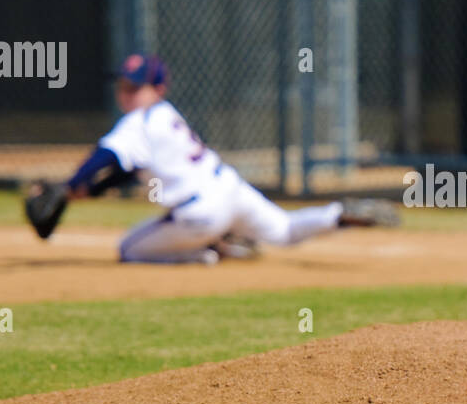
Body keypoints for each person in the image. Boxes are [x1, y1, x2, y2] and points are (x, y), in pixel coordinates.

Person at [64, 53, 397, 264]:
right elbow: (128, 169)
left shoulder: (138, 122)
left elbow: (105, 156)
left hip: (200, 212)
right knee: (284, 230)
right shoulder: (166, 115)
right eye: (123, 86)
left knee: (128, 249)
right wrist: (89, 189)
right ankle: (336, 214)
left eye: (135, 87)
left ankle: (207, 251)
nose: (126, 93)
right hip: (230, 189)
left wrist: (71, 187)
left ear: (158, 88)